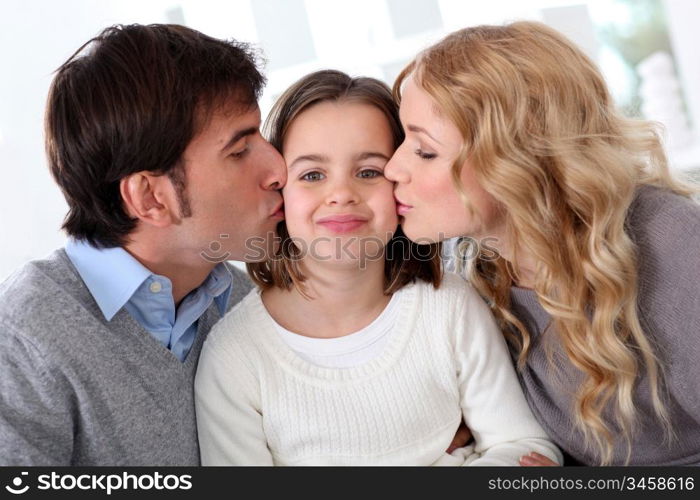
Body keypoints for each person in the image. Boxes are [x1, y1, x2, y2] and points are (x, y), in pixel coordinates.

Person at [194, 70, 562, 466]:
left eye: (368, 172)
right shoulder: (234, 356)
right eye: (312, 175)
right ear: (279, 192)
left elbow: (527, 450)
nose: (340, 194)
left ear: (401, 185)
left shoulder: (449, 308)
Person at [383, 21, 700, 465]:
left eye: (425, 150)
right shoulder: (472, 270)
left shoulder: (670, 242)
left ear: (516, 160)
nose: (392, 169)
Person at [0, 24, 287, 465]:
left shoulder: (246, 305)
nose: (278, 169)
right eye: (239, 150)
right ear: (151, 198)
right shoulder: (23, 340)